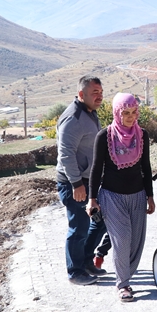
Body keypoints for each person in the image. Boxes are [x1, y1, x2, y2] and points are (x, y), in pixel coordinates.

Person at [88, 93, 155, 302]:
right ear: (117, 113)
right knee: (121, 240)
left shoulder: (142, 135)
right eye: (125, 113)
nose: (130, 117)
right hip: (111, 197)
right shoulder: (104, 136)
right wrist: (92, 198)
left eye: (134, 112)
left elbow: (146, 167)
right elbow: (96, 169)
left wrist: (150, 196)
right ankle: (123, 284)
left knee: (136, 242)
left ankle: (126, 275)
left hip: (137, 196)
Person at [56, 75, 107, 285]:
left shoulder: (90, 113)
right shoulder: (74, 118)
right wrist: (77, 183)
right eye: (94, 93)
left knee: (99, 221)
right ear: (81, 94)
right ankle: (75, 272)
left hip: (89, 180)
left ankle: (86, 261)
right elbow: (65, 154)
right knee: (78, 227)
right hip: (74, 183)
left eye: (101, 92)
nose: (99, 96)